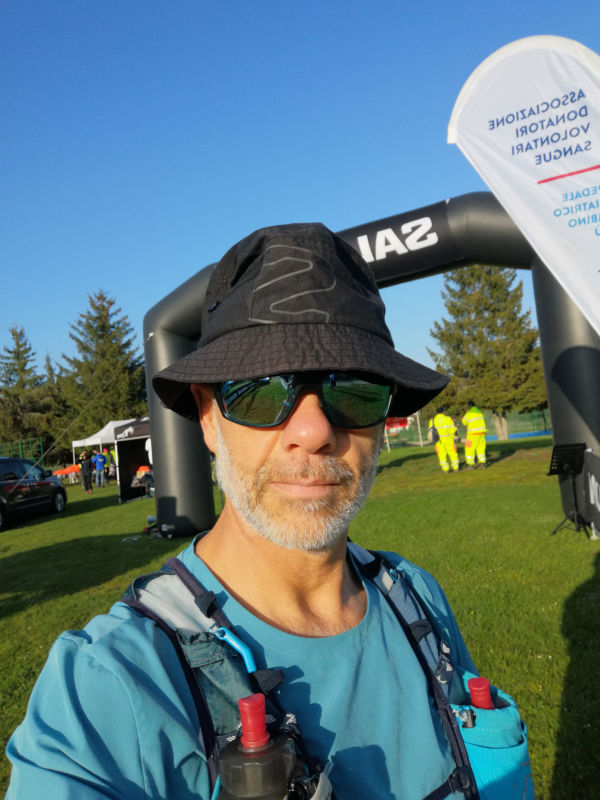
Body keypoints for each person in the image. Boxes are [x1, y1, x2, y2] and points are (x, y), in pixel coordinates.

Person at [6, 224, 490, 799]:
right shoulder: (109, 684)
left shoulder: (417, 600)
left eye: (353, 389)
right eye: (261, 390)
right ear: (208, 418)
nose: (313, 431)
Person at [428, 406, 459, 473]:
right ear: (443, 412)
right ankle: (456, 468)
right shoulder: (448, 419)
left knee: (441, 455)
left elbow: (430, 430)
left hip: (438, 441)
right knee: (453, 454)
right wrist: (456, 428)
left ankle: (445, 470)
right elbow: (452, 430)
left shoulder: (432, 420)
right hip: (449, 439)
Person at [461, 401, 487, 469]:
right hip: (482, 433)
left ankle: (470, 465)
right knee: (481, 448)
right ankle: (482, 464)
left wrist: (462, 418)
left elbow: (464, 422)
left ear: (469, 406)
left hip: (472, 434)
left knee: (469, 448)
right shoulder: (480, 412)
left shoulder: (469, 413)